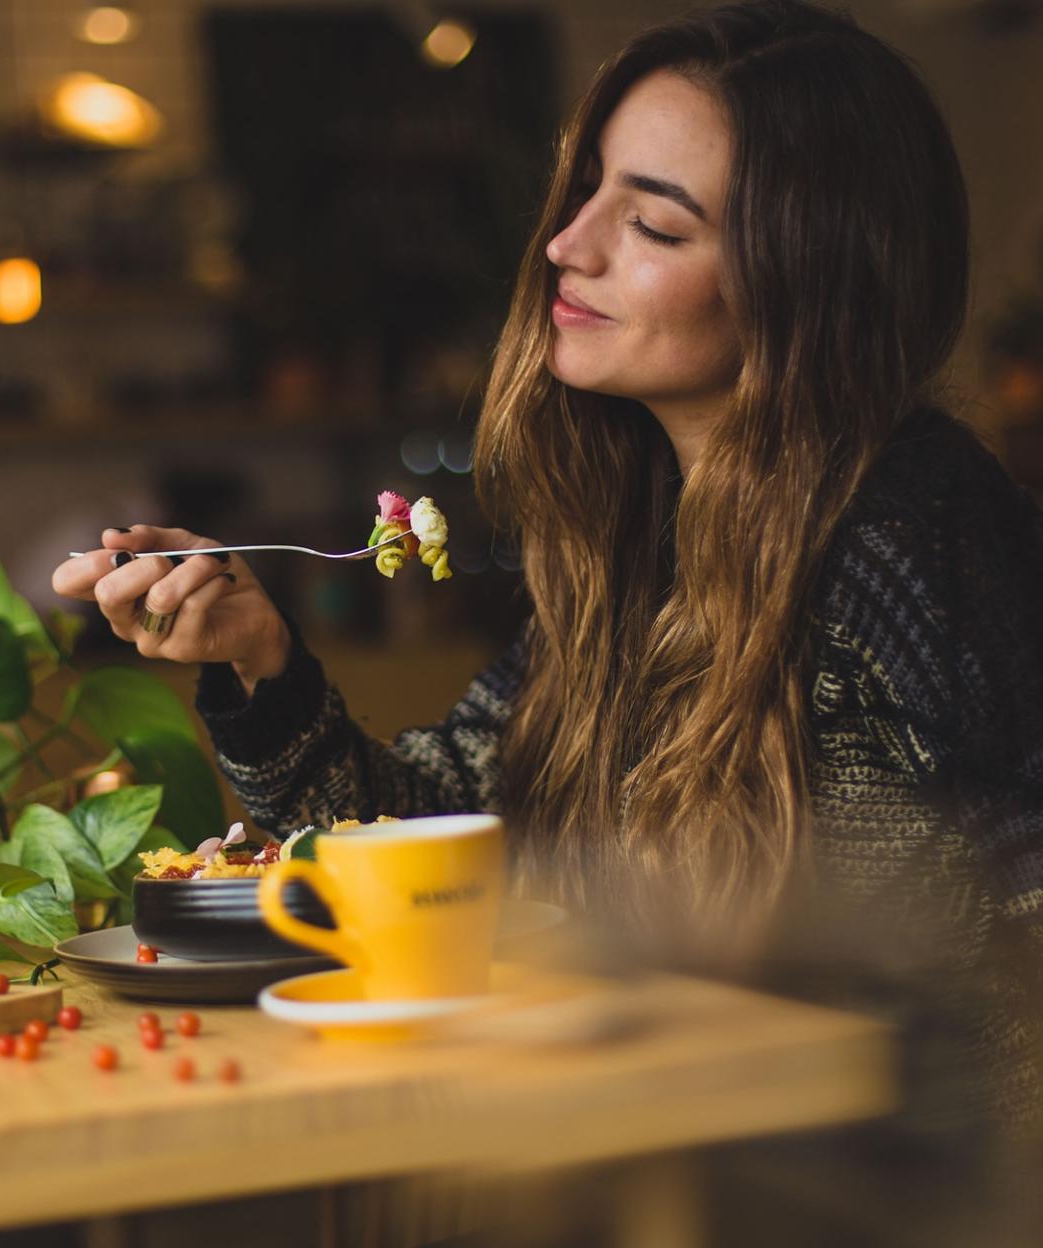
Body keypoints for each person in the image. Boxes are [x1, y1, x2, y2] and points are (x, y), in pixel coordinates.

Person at [55, 0, 1041, 1134]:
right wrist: (261, 661)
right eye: (590, 192)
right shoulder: (641, 539)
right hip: (682, 1156)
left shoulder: (907, 532)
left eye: (658, 228)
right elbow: (444, 843)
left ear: (809, 282)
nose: (570, 245)